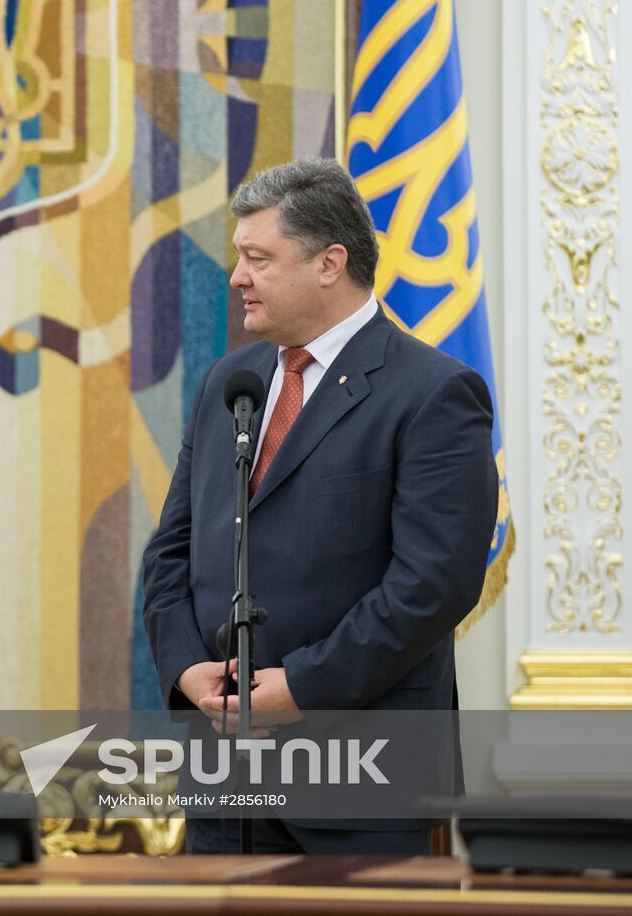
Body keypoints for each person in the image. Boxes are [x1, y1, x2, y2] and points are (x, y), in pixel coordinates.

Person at [141, 158, 498, 855]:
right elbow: (170, 554)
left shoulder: (434, 392)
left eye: (257, 258)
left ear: (330, 262)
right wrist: (188, 669)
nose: (238, 276)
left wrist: (300, 688)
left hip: (362, 777)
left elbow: (432, 586)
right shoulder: (229, 383)